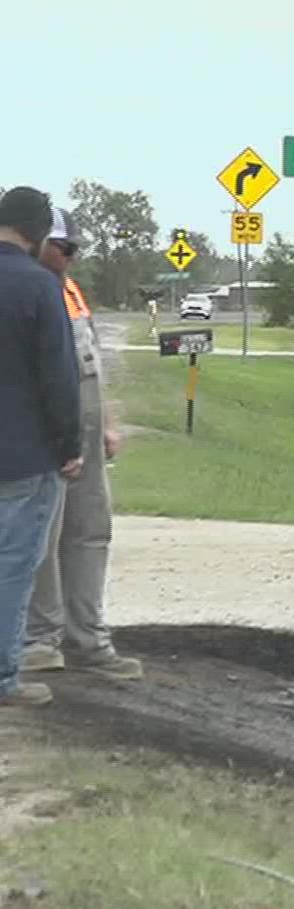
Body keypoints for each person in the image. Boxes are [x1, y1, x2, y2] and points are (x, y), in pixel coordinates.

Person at [21, 208, 142, 680]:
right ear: (34, 242)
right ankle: (39, 639)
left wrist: (107, 423)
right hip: (44, 429)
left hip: (87, 423)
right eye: (61, 247)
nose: (69, 256)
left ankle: (88, 637)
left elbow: (91, 368)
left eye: (74, 248)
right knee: (41, 537)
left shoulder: (69, 291)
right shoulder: (22, 289)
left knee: (91, 530)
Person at [0, 187, 82, 709]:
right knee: (12, 566)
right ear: (35, 232)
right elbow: (59, 376)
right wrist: (69, 444)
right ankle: (5, 677)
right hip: (25, 454)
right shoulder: (37, 285)